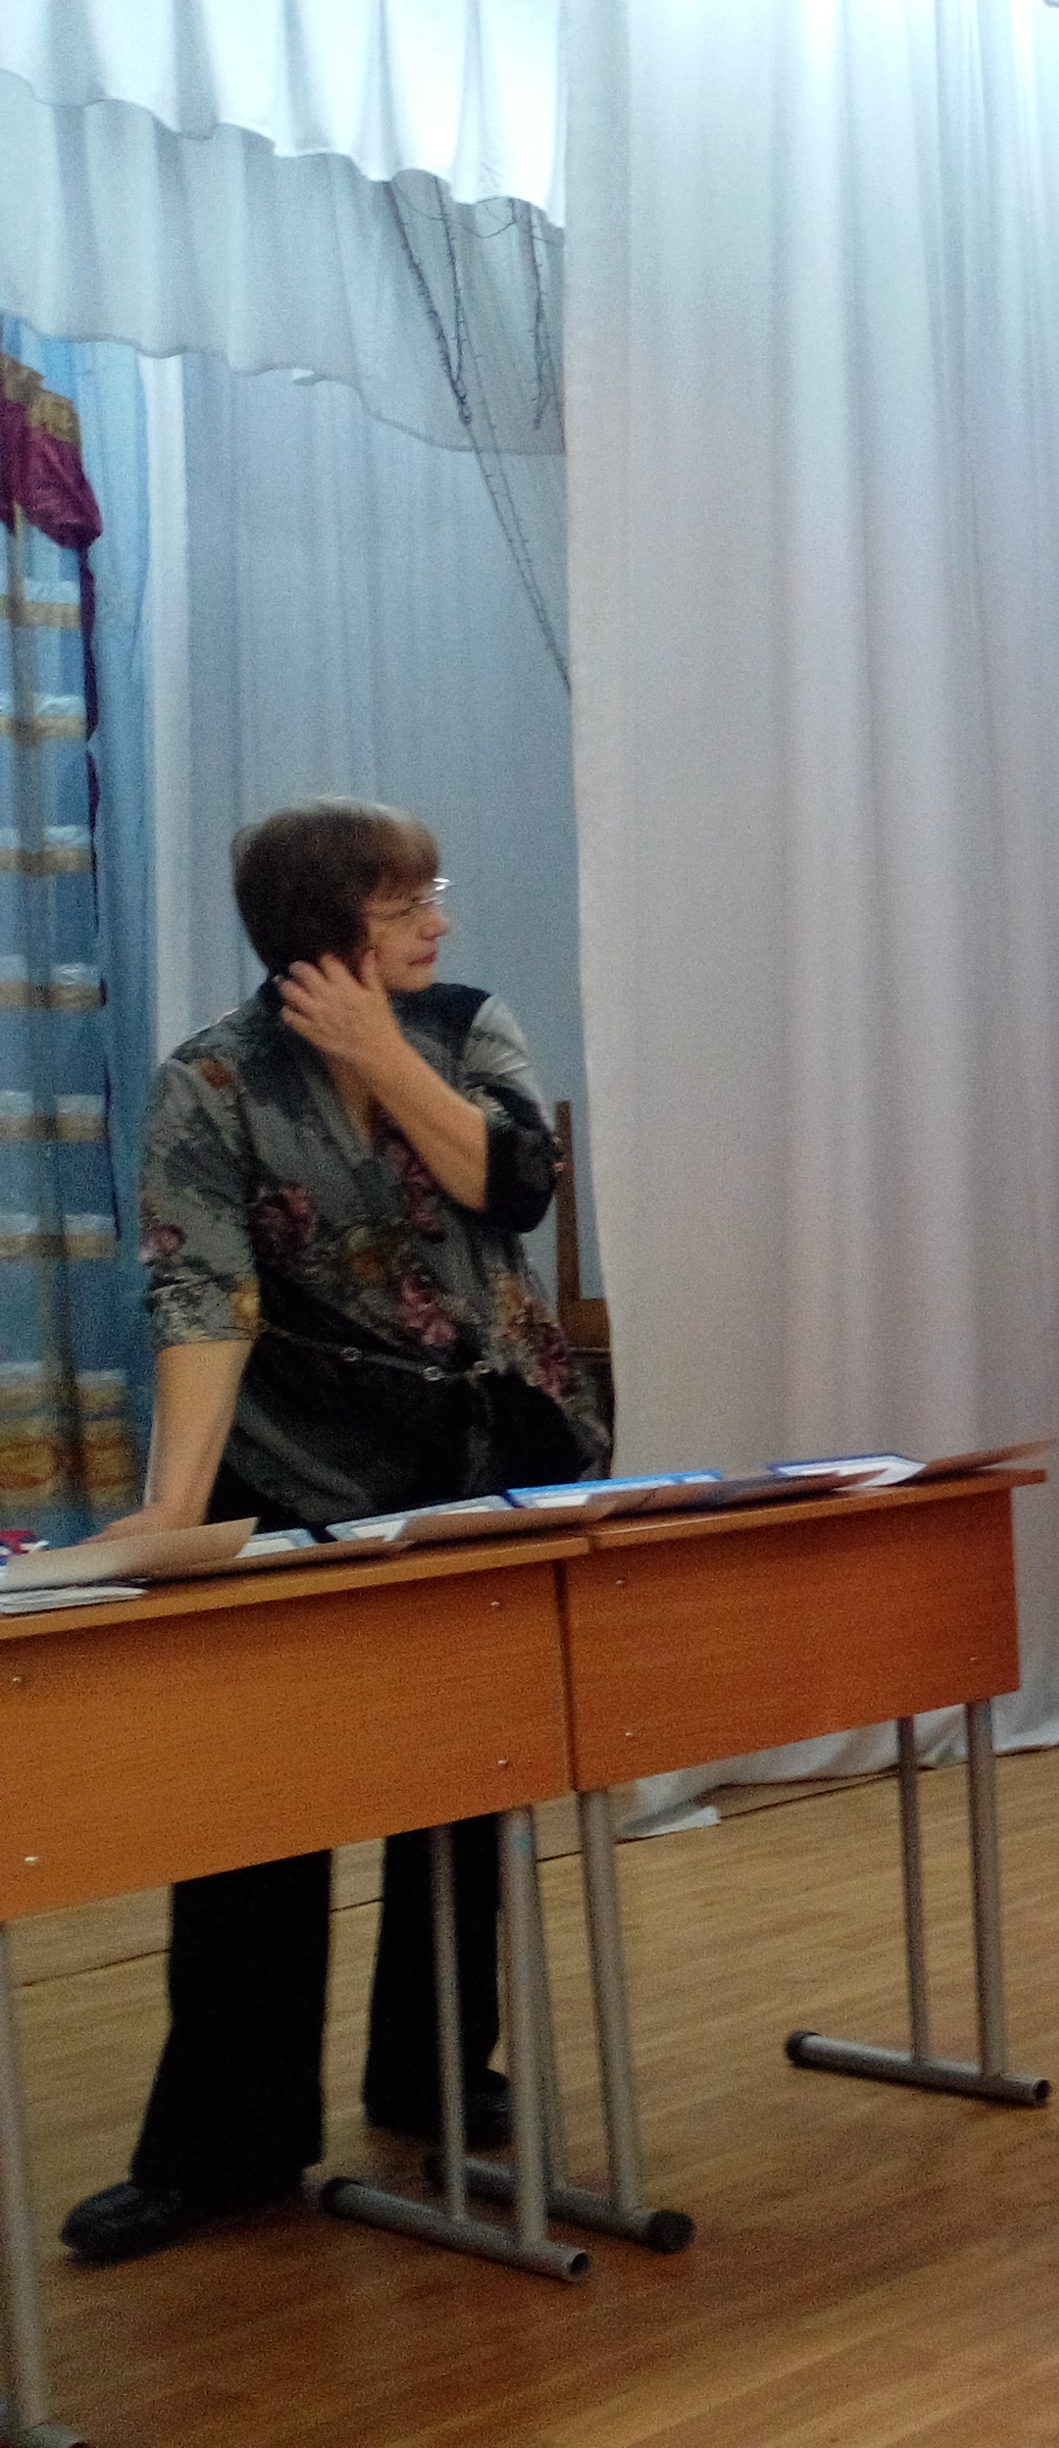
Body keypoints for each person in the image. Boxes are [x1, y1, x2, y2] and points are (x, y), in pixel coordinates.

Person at [61, 798, 607, 2267]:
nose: (439, 920)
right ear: (324, 930)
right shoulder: (211, 1082)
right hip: (300, 1460)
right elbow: (200, 1289)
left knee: (468, 1781)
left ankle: (435, 2075)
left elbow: (517, 1186)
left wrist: (382, 1057)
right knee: (256, 1810)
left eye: (431, 894)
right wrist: (177, 1502)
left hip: (489, 1450)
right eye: (405, 903)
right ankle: (226, 2145)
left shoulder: (469, 1029)